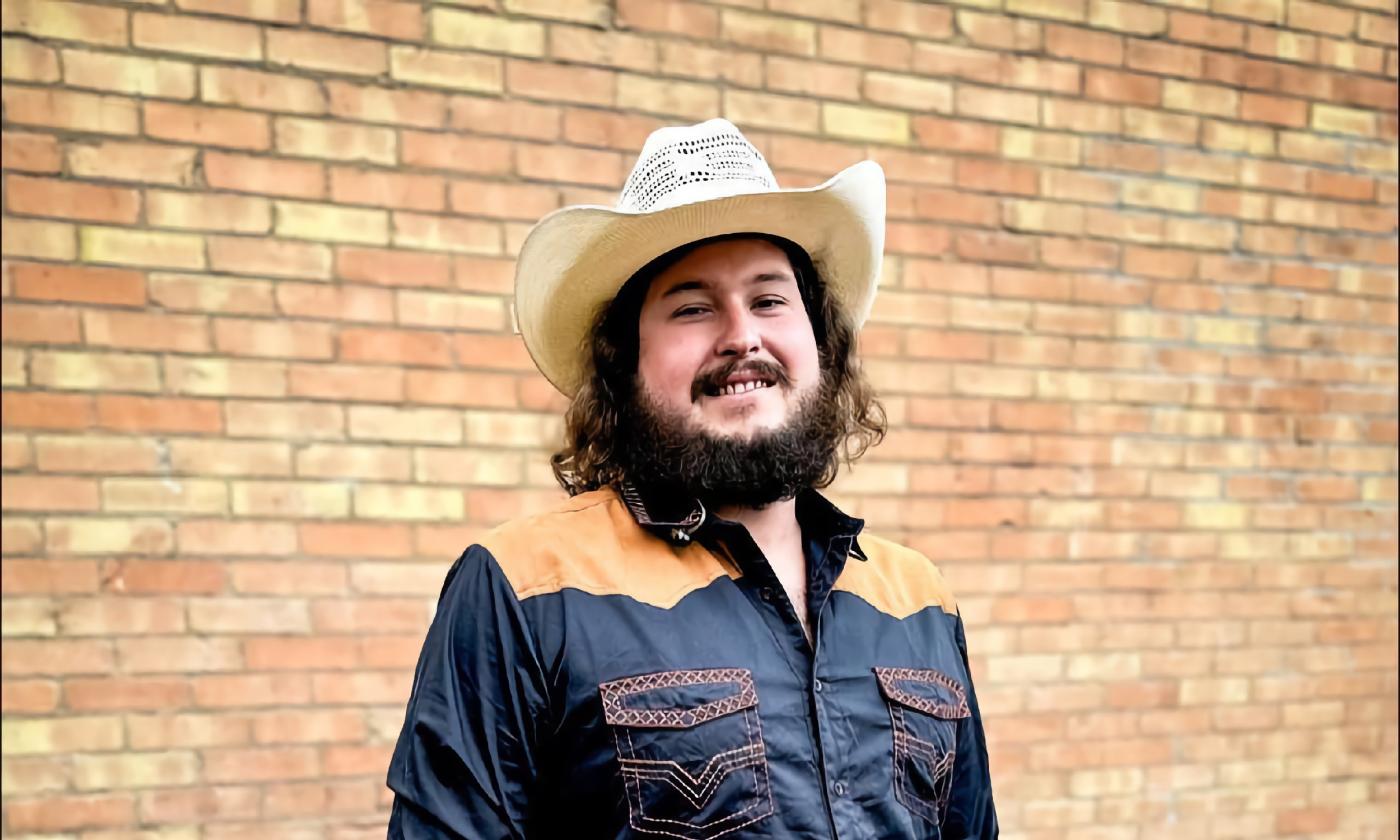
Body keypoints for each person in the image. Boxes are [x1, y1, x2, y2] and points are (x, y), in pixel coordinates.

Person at [387, 119, 997, 839]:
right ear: (625, 364)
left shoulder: (919, 599)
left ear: (820, 344)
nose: (742, 335)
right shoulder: (525, 590)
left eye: (770, 300)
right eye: (692, 307)